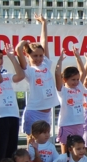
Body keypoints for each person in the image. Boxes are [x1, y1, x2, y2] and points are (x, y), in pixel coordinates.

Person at [17, 14, 59, 143]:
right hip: (33, 111)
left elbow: (44, 42)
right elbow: (18, 51)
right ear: (28, 56)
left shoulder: (46, 63)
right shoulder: (29, 70)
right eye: (35, 56)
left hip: (46, 113)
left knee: (44, 142)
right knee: (32, 142)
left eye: (40, 55)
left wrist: (44, 24)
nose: (39, 58)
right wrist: (22, 44)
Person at [55, 48, 86, 154]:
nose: (76, 82)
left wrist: (78, 56)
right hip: (66, 124)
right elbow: (57, 75)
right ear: (65, 80)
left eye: (77, 79)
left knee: (78, 150)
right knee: (65, 150)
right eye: (73, 79)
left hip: (79, 124)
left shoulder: (79, 88)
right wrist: (60, 61)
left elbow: (83, 71)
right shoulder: (62, 90)